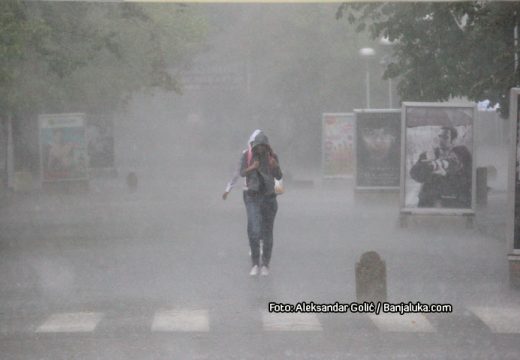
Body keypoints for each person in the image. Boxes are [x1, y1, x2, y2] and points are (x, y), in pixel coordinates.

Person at [224, 130, 283, 276]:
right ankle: (255, 263)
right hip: (252, 196)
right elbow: (241, 173)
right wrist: (253, 167)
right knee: (254, 230)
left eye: (263, 146)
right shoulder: (247, 155)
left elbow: (279, 176)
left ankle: (265, 264)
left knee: (267, 232)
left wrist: (274, 166)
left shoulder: (272, 157)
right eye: (258, 146)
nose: (261, 149)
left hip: (269, 197)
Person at [409, 126, 472, 208]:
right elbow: (414, 174)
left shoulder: (461, 154)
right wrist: (427, 168)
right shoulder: (428, 154)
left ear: (453, 140)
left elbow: (468, 179)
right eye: (440, 136)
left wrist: (446, 174)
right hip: (429, 200)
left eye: (445, 137)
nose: (441, 139)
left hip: (452, 200)